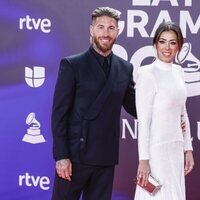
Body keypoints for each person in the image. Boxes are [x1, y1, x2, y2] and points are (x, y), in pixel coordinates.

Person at [51, 6, 137, 200]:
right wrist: (62, 156)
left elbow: (135, 107)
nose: (106, 33)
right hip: (73, 157)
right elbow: (59, 113)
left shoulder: (125, 68)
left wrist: (167, 114)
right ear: (91, 30)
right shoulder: (72, 65)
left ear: (118, 31)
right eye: (101, 27)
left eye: (111, 28)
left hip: (105, 157)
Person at [134, 21, 195, 200]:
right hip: (156, 152)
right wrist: (143, 160)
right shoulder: (147, 73)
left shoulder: (179, 71)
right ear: (155, 44)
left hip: (175, 148)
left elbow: (183, 112)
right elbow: (144, 121)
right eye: (162, 41)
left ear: (179, 46)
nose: (167, 47)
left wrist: (188, 148)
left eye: (172, 42)